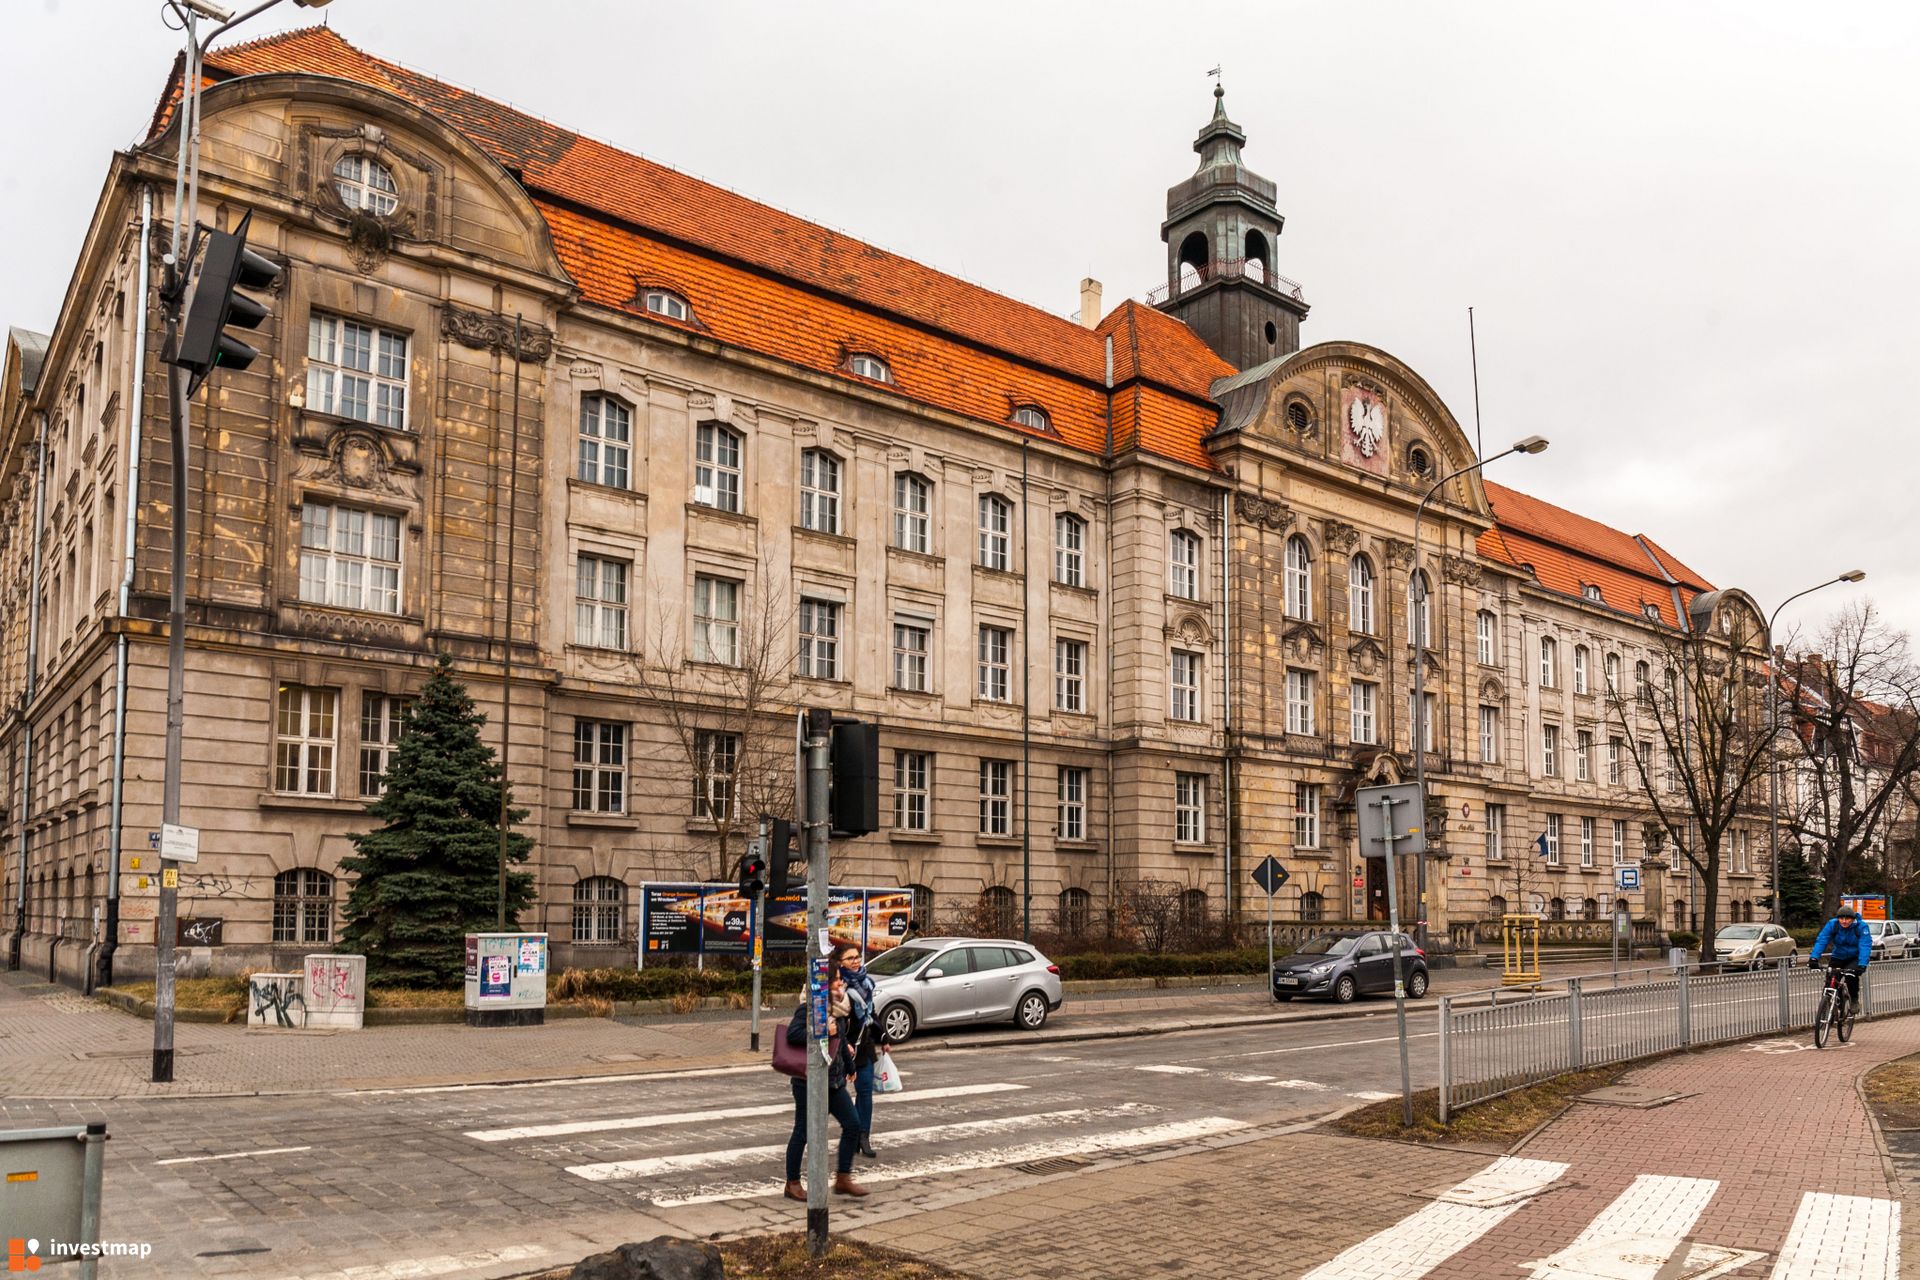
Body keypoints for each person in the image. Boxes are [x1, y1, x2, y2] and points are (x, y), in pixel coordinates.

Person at [782, 969, 869, 1202]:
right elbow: (793, 1034)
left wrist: (851, 1068)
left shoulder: (838, 1012)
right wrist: (821, 1031)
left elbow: (840, 1044)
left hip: (834, 1082)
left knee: (853, 1124)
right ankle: (792, 1183)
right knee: (803, 1131)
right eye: (837, 981)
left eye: (841, 980)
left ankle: (843, 1178)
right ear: (825, 985)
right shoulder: (808, 1009)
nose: (841, 985)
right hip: (808, 1083)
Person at [835, 943, 883, 1158]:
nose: (855, 961)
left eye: (857, 957)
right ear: (840, 963)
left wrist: (884, 1037)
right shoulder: (838, 985)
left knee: (865, 1092)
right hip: (841, 1047)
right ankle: (851, 1133)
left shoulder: (866, 983)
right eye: (850, 958)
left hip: (863, 1045)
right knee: (838, 1095)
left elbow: (871, 1014)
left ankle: (863, 1135)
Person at [1811, 904, 1872, 1010]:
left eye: (1847, 918)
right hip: (1838, 956)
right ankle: (1827, 1007)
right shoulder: (1832, 924)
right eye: (1841, 918)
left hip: (1854, 957)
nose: (1844, 921)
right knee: (1830, 981)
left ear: (1853, 919)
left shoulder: (1861, 926)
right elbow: (1822, 940)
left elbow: (1865, 945)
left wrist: (1862, 964)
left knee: (1850, 976)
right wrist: (1814, 958)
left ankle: (1854, 1000)